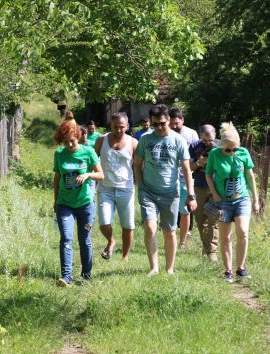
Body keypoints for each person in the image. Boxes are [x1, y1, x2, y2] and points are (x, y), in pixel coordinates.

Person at [134, 104, 197, 275]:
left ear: (168, 120)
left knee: (169, 231)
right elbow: (137, 164)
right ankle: (154, 268)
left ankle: (169, 269)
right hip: (148, 191)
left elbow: (186, 170)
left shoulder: (178, 141)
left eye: (162, 123)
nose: (159, 127)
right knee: (150, 227)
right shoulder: (146, 140)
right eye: (155, 124)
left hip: (170, 193)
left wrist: (191, 195)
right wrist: (140, 187)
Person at [205, 122, 259, 283]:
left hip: (242, 199)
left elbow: (250, 177)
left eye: (234, 149)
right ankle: (227, 270)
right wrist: (215, 195)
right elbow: (208, 175)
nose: (231, 152)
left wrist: (256, 199)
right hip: (223, 202)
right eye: (228, 149)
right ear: (222, 145)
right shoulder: (215, 154)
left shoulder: (243, 153)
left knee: (243, 231)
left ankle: (240, 268)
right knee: (225, 237)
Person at [53, 121, 104, 286]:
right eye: (65, 141)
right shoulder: (59, 154)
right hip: (64, 204)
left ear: (78, 137)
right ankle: (66, 276)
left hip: (85, 204)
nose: (68, 144)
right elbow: (57, 178)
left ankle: (86, 276)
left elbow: (101, 175)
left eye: (72, 141)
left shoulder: (88, 152)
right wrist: (55, 200)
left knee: (84, 240)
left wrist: (88, 175)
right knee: (66, 238)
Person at [94, 112, 138, 261]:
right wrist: (91, 182)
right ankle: (111, 241)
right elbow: (93, 162)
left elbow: (139, 166)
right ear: (110, 126)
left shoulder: (133, 143)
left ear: (127, 126)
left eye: (122, 127)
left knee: (128, 224)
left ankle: (125, 257)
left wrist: (142, 183)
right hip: (105, 187)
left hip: (126, 188)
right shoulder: (101, 140)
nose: (118, 130)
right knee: (104, 223)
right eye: (115, 127)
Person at [169, 107, 199, 250]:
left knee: (185, 210)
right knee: (170, 210)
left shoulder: (191, 133)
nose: (174, 126)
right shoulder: (166, 133)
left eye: (177, 123)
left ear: (182, 120)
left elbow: (197, 154)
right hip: (169, 178)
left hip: (186, 177)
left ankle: (182, 242)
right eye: (172, 123)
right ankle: (171, 238)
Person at [189, 124, 220, 262]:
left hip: (217, 187)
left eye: (211, 140)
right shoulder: (193, 146)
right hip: (199, 186)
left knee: (214, 220)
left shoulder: (221, 146)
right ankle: (206, 247)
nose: (208, 143)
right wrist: (199, 162)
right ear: (200, 135)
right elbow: (189, 167)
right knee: (200, 221)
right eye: (205, 141)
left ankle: (212, 252)